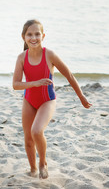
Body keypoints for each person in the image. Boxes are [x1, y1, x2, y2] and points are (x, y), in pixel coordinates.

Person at [12, 19, 92, 179]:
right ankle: (33, 169)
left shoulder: (50, 55)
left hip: (47, 100)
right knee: (28, 139)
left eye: (37, 34)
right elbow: (15, 85)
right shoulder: (21, 57)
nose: (33, 38)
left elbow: (69, 75)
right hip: (29, 100)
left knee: (36, 131)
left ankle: (43, 163)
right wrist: (35, 83)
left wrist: (81, 96)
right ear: (23, 37)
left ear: (43, 36)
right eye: (29, 34)